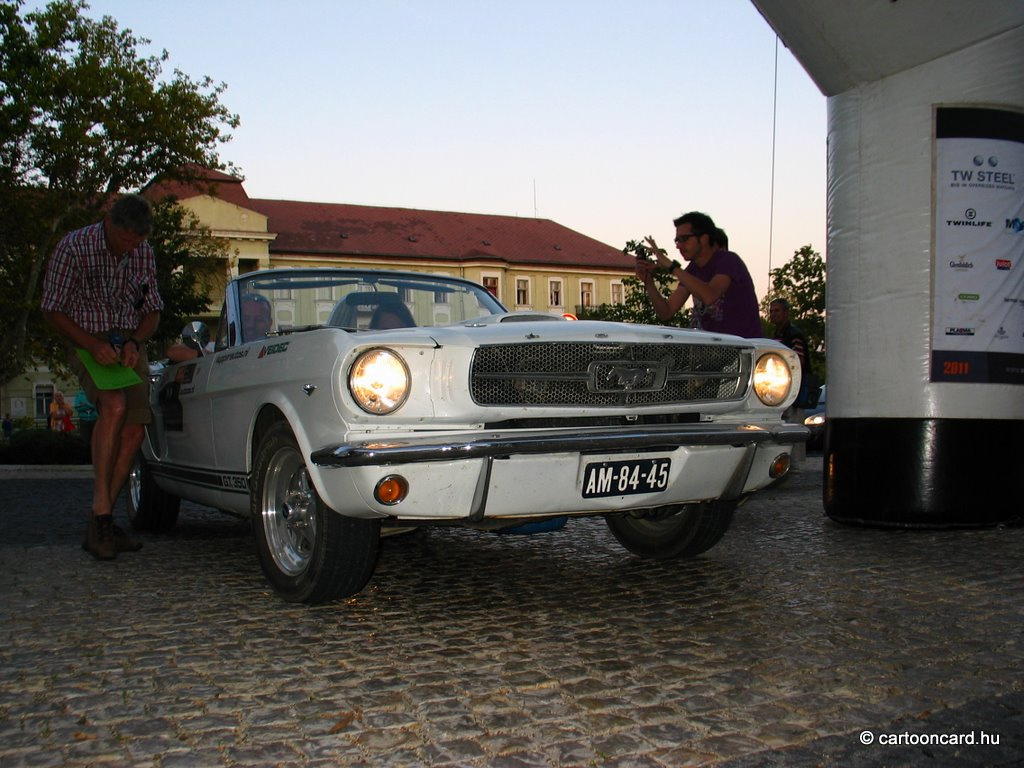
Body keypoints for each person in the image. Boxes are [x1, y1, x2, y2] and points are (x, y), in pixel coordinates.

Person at [41, 193, 164, 561]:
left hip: (125, 343)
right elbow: (52, 310)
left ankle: (102, 521)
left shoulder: (143, 251)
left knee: (135, 427)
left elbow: (152, 310)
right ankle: (102, 513)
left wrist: (135, 341)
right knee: (113, 406)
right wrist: (91, 345)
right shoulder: (74, 247)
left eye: (137, 242)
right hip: (85, 340)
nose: (131, 248)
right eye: (126, 241)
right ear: (110, 224)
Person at [637, 211, 762, 338]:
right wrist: (649, 282)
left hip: (743, 347)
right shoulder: (692, 270)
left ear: (704, 238)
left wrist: (672, 267)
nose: (679, 246)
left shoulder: (728, 260)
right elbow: (666, 312)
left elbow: (710, 295)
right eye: (677, 241)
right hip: (713, 349)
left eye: (684, 239)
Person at [165, 293, 273, 362]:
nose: (251, 325)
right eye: (245, 319)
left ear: (270, 323)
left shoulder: (275, 349)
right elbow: (173, 352)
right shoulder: (216, 348)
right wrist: (214, 358)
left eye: (258, 319)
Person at [770, 297, 810, 466]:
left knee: (795, 425)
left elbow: (798, 361)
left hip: (794, 388)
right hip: (783, 388)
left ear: (786, 313)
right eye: (771, 311)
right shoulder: (780, 334)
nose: (773, 314)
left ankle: (797, 463)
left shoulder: (793, 334)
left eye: (776, 311)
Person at [74, 388, 98, 455]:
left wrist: (85, 404)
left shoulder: (95, 393)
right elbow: (77, 407)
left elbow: (96, 405)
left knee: (95, 441)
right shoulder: (79, 394)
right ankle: (85, 456)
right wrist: (90, 405)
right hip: (83, 420)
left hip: (95, 419)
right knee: (84, 441)